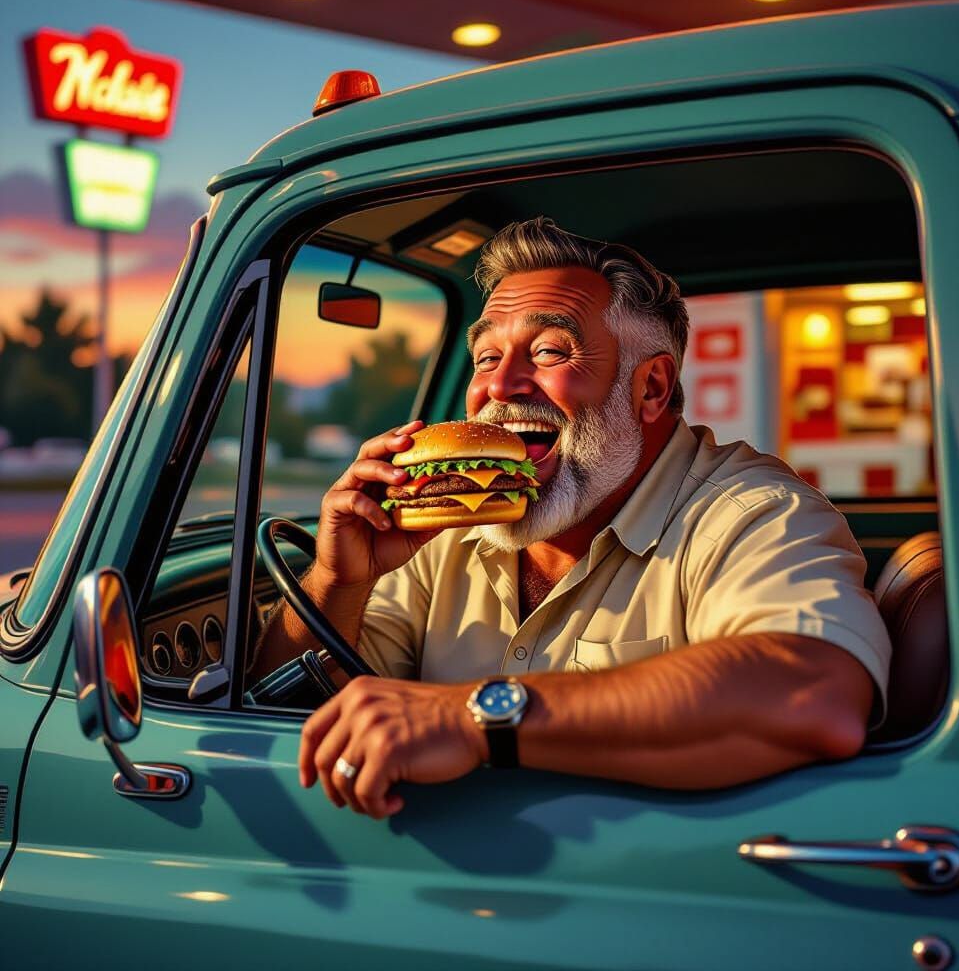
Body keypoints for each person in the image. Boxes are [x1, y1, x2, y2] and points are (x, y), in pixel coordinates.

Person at [255, 216, 890, 820]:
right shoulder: (444, 528)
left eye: (551, 351)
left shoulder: (752, 514)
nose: (501, 387)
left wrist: (476, 716)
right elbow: (283, 726)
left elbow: (815, 694)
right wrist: (339, 583)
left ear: (651, 389)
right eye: (484, 358)